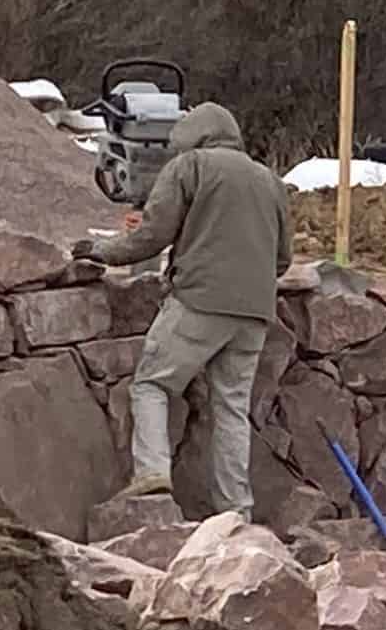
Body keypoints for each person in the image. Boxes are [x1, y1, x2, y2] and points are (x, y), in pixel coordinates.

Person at [74, 102, 290, 518]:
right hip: (255, 313)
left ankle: (152, 475)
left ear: (192, 137)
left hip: (200, 301)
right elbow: (282, 259)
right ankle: (235, 512)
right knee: (231, 409)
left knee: (152, 385)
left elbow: (150, 237)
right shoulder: (269, 179)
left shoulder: (189, 167)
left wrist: (100, 250)